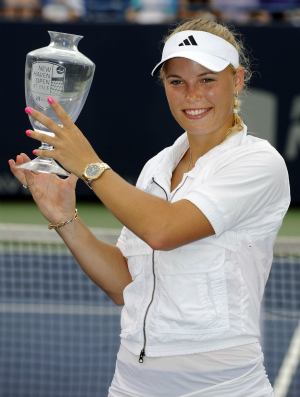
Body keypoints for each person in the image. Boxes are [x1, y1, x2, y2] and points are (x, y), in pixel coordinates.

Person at [9, 17, 290, 397]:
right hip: (132, 384)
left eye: (207, 79)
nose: (192, 94)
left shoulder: (259, 162)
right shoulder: (157, 166)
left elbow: (164, 231)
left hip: (223, 386)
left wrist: (92, 167)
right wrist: (65, 220)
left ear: (237, 80)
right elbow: (126, 285)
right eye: (177, 82)